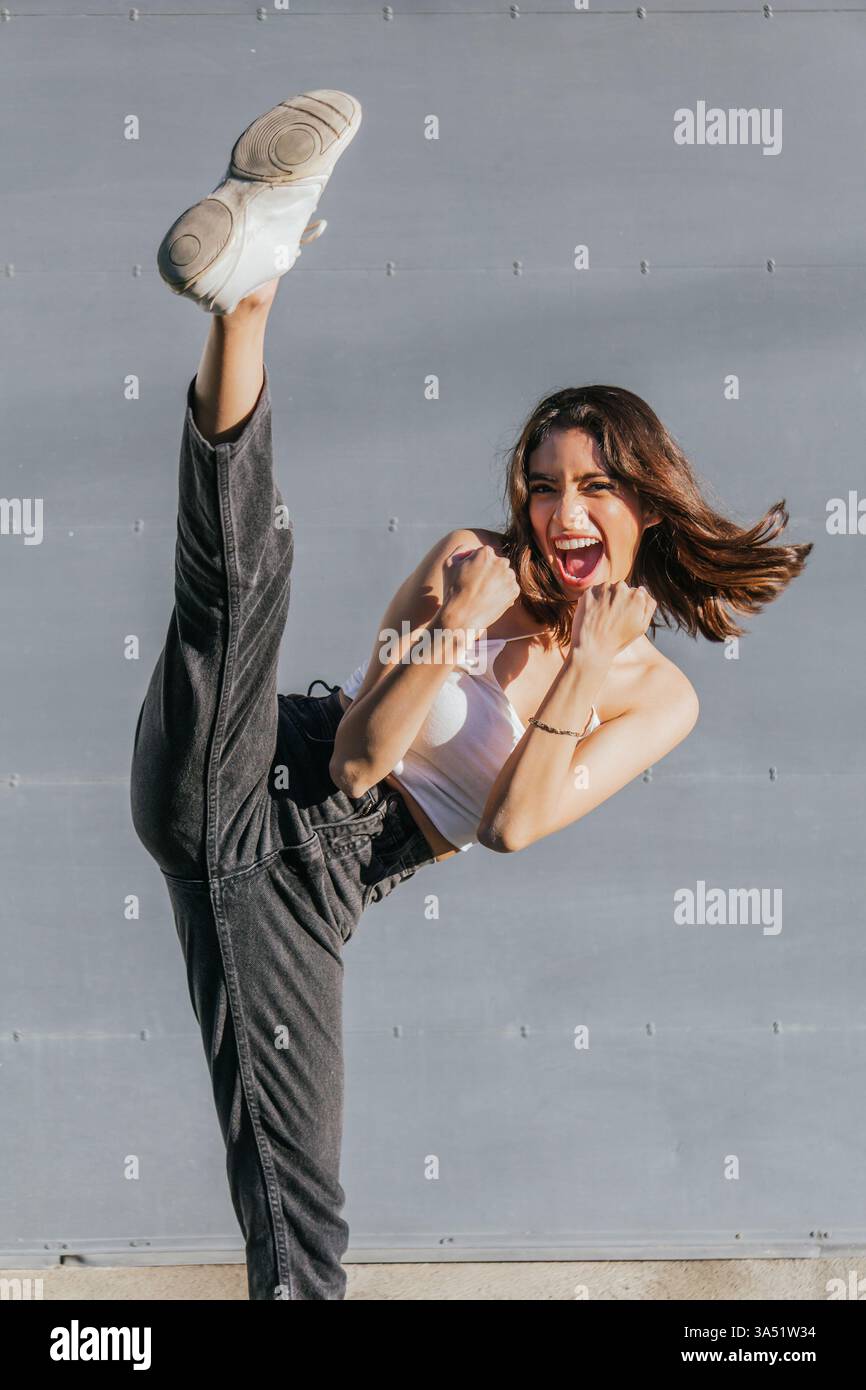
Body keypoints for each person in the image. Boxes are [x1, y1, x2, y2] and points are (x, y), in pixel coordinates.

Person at [130, 89, 812, 1299]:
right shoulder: (465, 561)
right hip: (256, 752)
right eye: (544, 484)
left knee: (301, 1216)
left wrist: (586, 669)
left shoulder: (654, 698)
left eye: (592, 486)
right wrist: (453, 627)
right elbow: (352, 752)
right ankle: (254, 279)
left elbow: (506, 821)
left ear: (640, 504)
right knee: (236, 590)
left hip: (315, 877)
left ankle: (255, 278)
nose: (560, 512)